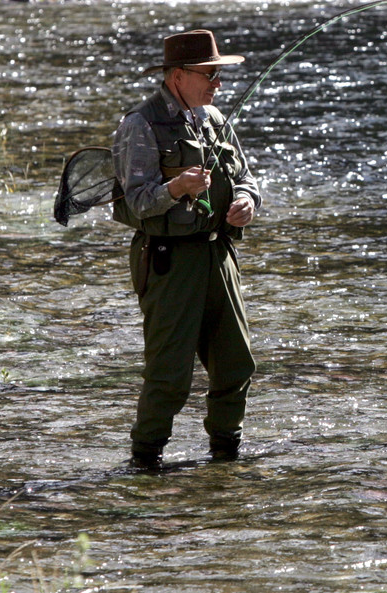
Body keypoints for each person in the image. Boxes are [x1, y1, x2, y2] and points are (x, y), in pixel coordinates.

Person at [111, 29, 261, 470]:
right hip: (169, 261)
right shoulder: (139, 124)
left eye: (219, 74)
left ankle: (225, 457)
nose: (218, 83)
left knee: (237, 365)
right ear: (178, 76)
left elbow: (249, 178)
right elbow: (136, 201)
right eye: (210, 74)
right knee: (170, 377)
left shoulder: (214, 118)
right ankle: (144, 461)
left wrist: (247, 203)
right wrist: (176, 187)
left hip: (219, 257)